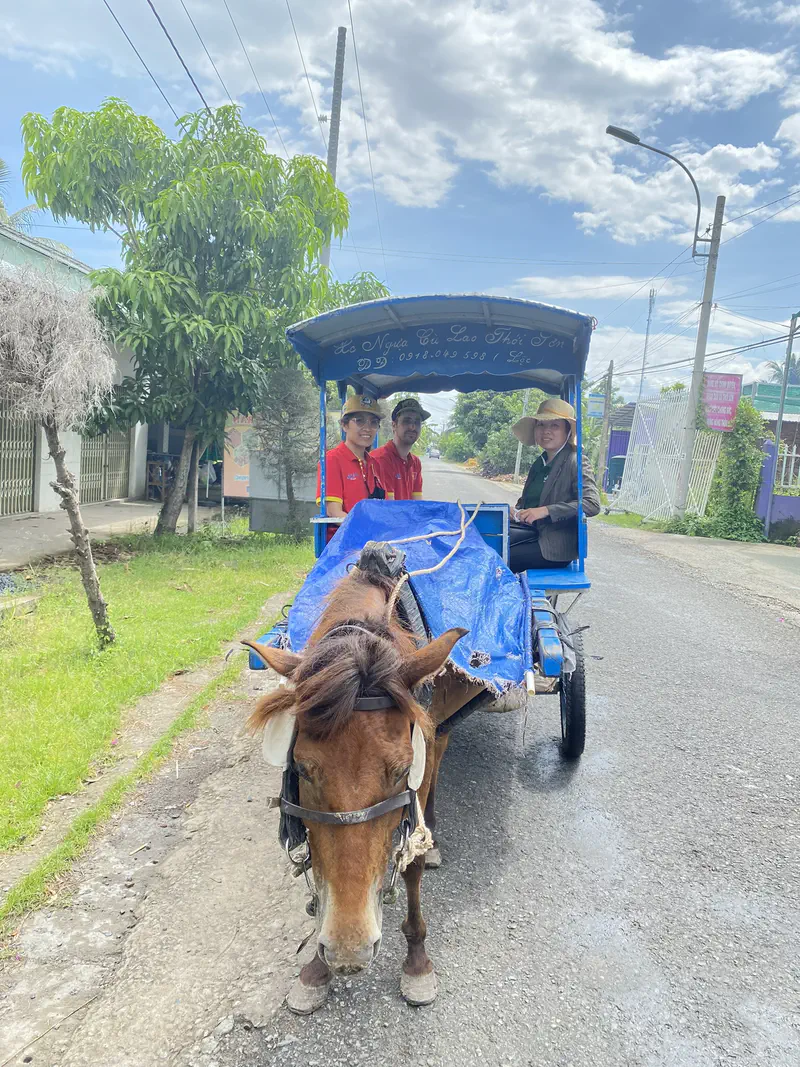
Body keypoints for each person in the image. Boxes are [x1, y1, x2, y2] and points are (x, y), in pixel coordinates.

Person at [508, 397, 600, 573]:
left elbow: (592, 504)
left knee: (499, 558)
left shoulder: (576, 461)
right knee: (486, 544)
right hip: (529, 534)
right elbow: (529, 502)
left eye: (554, 426)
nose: (546, 431)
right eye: (541, 425)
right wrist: (517, 512)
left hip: (553, 547)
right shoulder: (539, 463)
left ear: (568, 432)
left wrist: (546, 510)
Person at [316, 394, 390, 539]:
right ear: (344, 425)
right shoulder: (332, 460)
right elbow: (334, 512)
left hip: (372, 541)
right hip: (343, 545)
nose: (367, 428)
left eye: (373, 422)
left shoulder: (375, 464)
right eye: (359, 421)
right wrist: (366, 531)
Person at [370, 396, 430, 501]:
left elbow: (417, 503)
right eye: (407, 421)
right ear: (394, 426)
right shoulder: (380, 460)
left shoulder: (415, 462)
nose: (412, 427)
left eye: (417, 422)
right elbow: (390, 508)